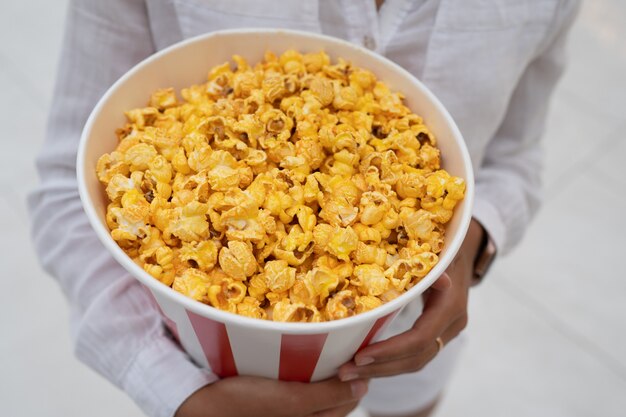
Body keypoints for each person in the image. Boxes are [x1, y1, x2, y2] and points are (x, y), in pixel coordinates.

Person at [28, 1, 580, 416]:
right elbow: (65, 186)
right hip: (206, 366)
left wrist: (475, 241)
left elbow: (516, 159)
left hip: (413, 340)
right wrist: (173, 392)